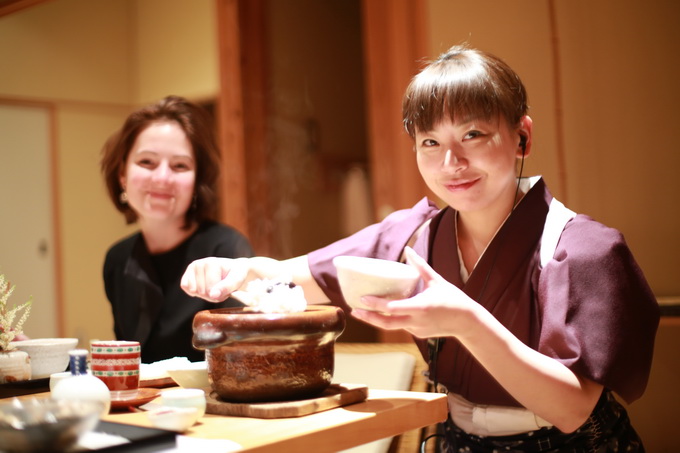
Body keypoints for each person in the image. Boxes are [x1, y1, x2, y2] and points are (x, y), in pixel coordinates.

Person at [179, 46, 659, 451]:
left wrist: (464, 320)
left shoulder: (581, 248)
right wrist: (236, 270)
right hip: (457, 438)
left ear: (522, 137)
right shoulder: (413, 234)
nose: (453, 162)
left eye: (473, 134)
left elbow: (573, 407)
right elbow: (288, 276)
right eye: (430, 142)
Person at [100, 95, 254, 364]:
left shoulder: (226, 250)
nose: (162, 177)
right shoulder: (118, 260)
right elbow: (127, 362)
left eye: (179, 165)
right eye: (146, 162)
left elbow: (245, 356)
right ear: (122, 174)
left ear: (197, 182)